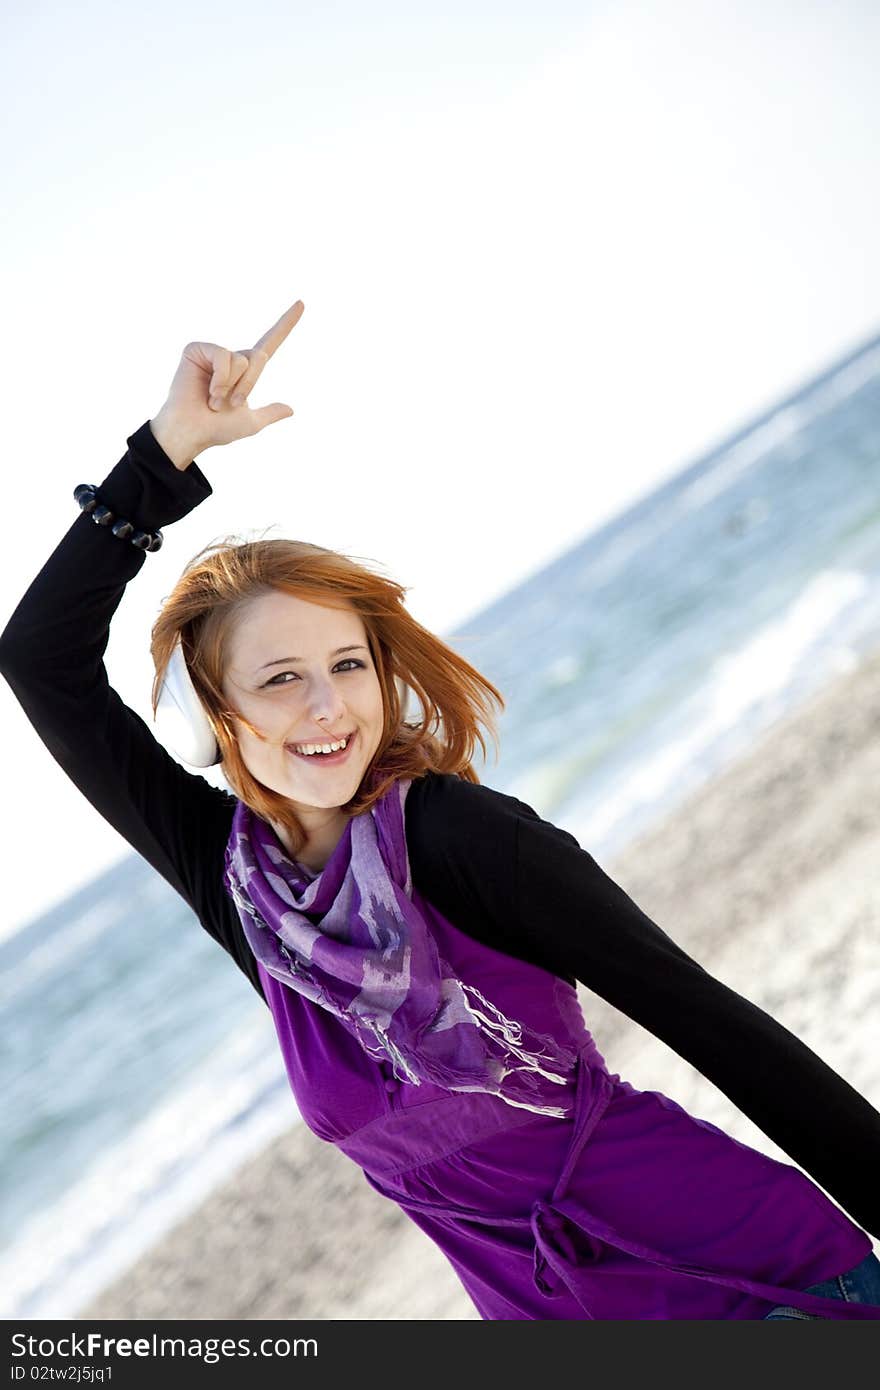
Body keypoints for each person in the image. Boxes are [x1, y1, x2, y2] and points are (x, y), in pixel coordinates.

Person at [2, 297, 879, 1322]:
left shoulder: (465, 840)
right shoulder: (245, 895)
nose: (329, 706)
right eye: (281, 678)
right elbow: (39, 660)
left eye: (346, 665)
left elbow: (717, 1028)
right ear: (217, 718)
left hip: (747, 1271)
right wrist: (165, 454)